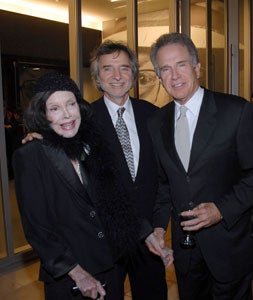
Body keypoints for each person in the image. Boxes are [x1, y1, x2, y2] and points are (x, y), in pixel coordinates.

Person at [12, 72, 148, 300]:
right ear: (43, 114)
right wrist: (75, 271)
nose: (67, 115)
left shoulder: (90, 145)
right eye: (54, 108)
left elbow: (115, 196)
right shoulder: (31, 155)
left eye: (71, 104)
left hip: (110, 266)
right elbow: (38, 229)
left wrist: (146, 232)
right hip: (70, 277)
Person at [147, 32, 253, 300]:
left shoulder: (236, 111)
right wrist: (158, 228)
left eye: (181, 64)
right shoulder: (157, 123)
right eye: (165, 69)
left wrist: (221, 210)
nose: (175, 76)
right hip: (186, 252)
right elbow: (163, 184)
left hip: (229, 246)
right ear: (159, 77)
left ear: (197, 67)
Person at [89, 40, 172, 299]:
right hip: (105, 242)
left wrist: (158, 227)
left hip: (150, 243)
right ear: (97, 77)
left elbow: (164, 178)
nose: (117, 76)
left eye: (124, 68)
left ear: (134, 75)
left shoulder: (154, 116)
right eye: (107, 69)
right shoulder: (82, 121)